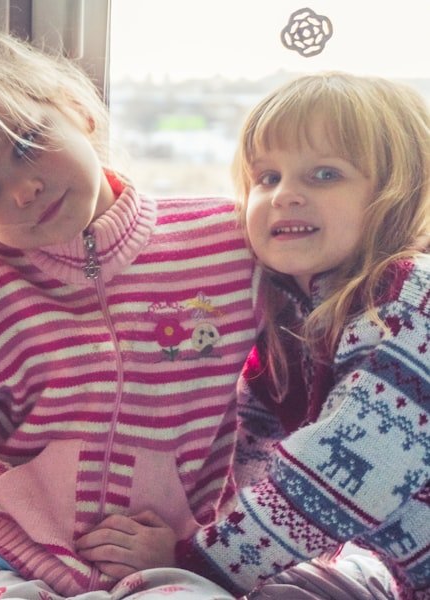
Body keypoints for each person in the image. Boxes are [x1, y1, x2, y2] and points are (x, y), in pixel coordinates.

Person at [0, 28, 263, 600]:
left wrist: (210, 547)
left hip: (175, 564)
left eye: (26, 142)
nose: (23, 190)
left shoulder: (229, 244)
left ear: (79, 111)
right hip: (11, 565)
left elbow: (306, 384)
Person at [111, 72, 430, 599]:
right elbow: (254, 461)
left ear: (399, 194)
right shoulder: (290, 328)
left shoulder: (409, 300)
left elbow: (340, 472)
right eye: (267, 177)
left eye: (325, 174)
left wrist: (198, 557)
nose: (285, 196)